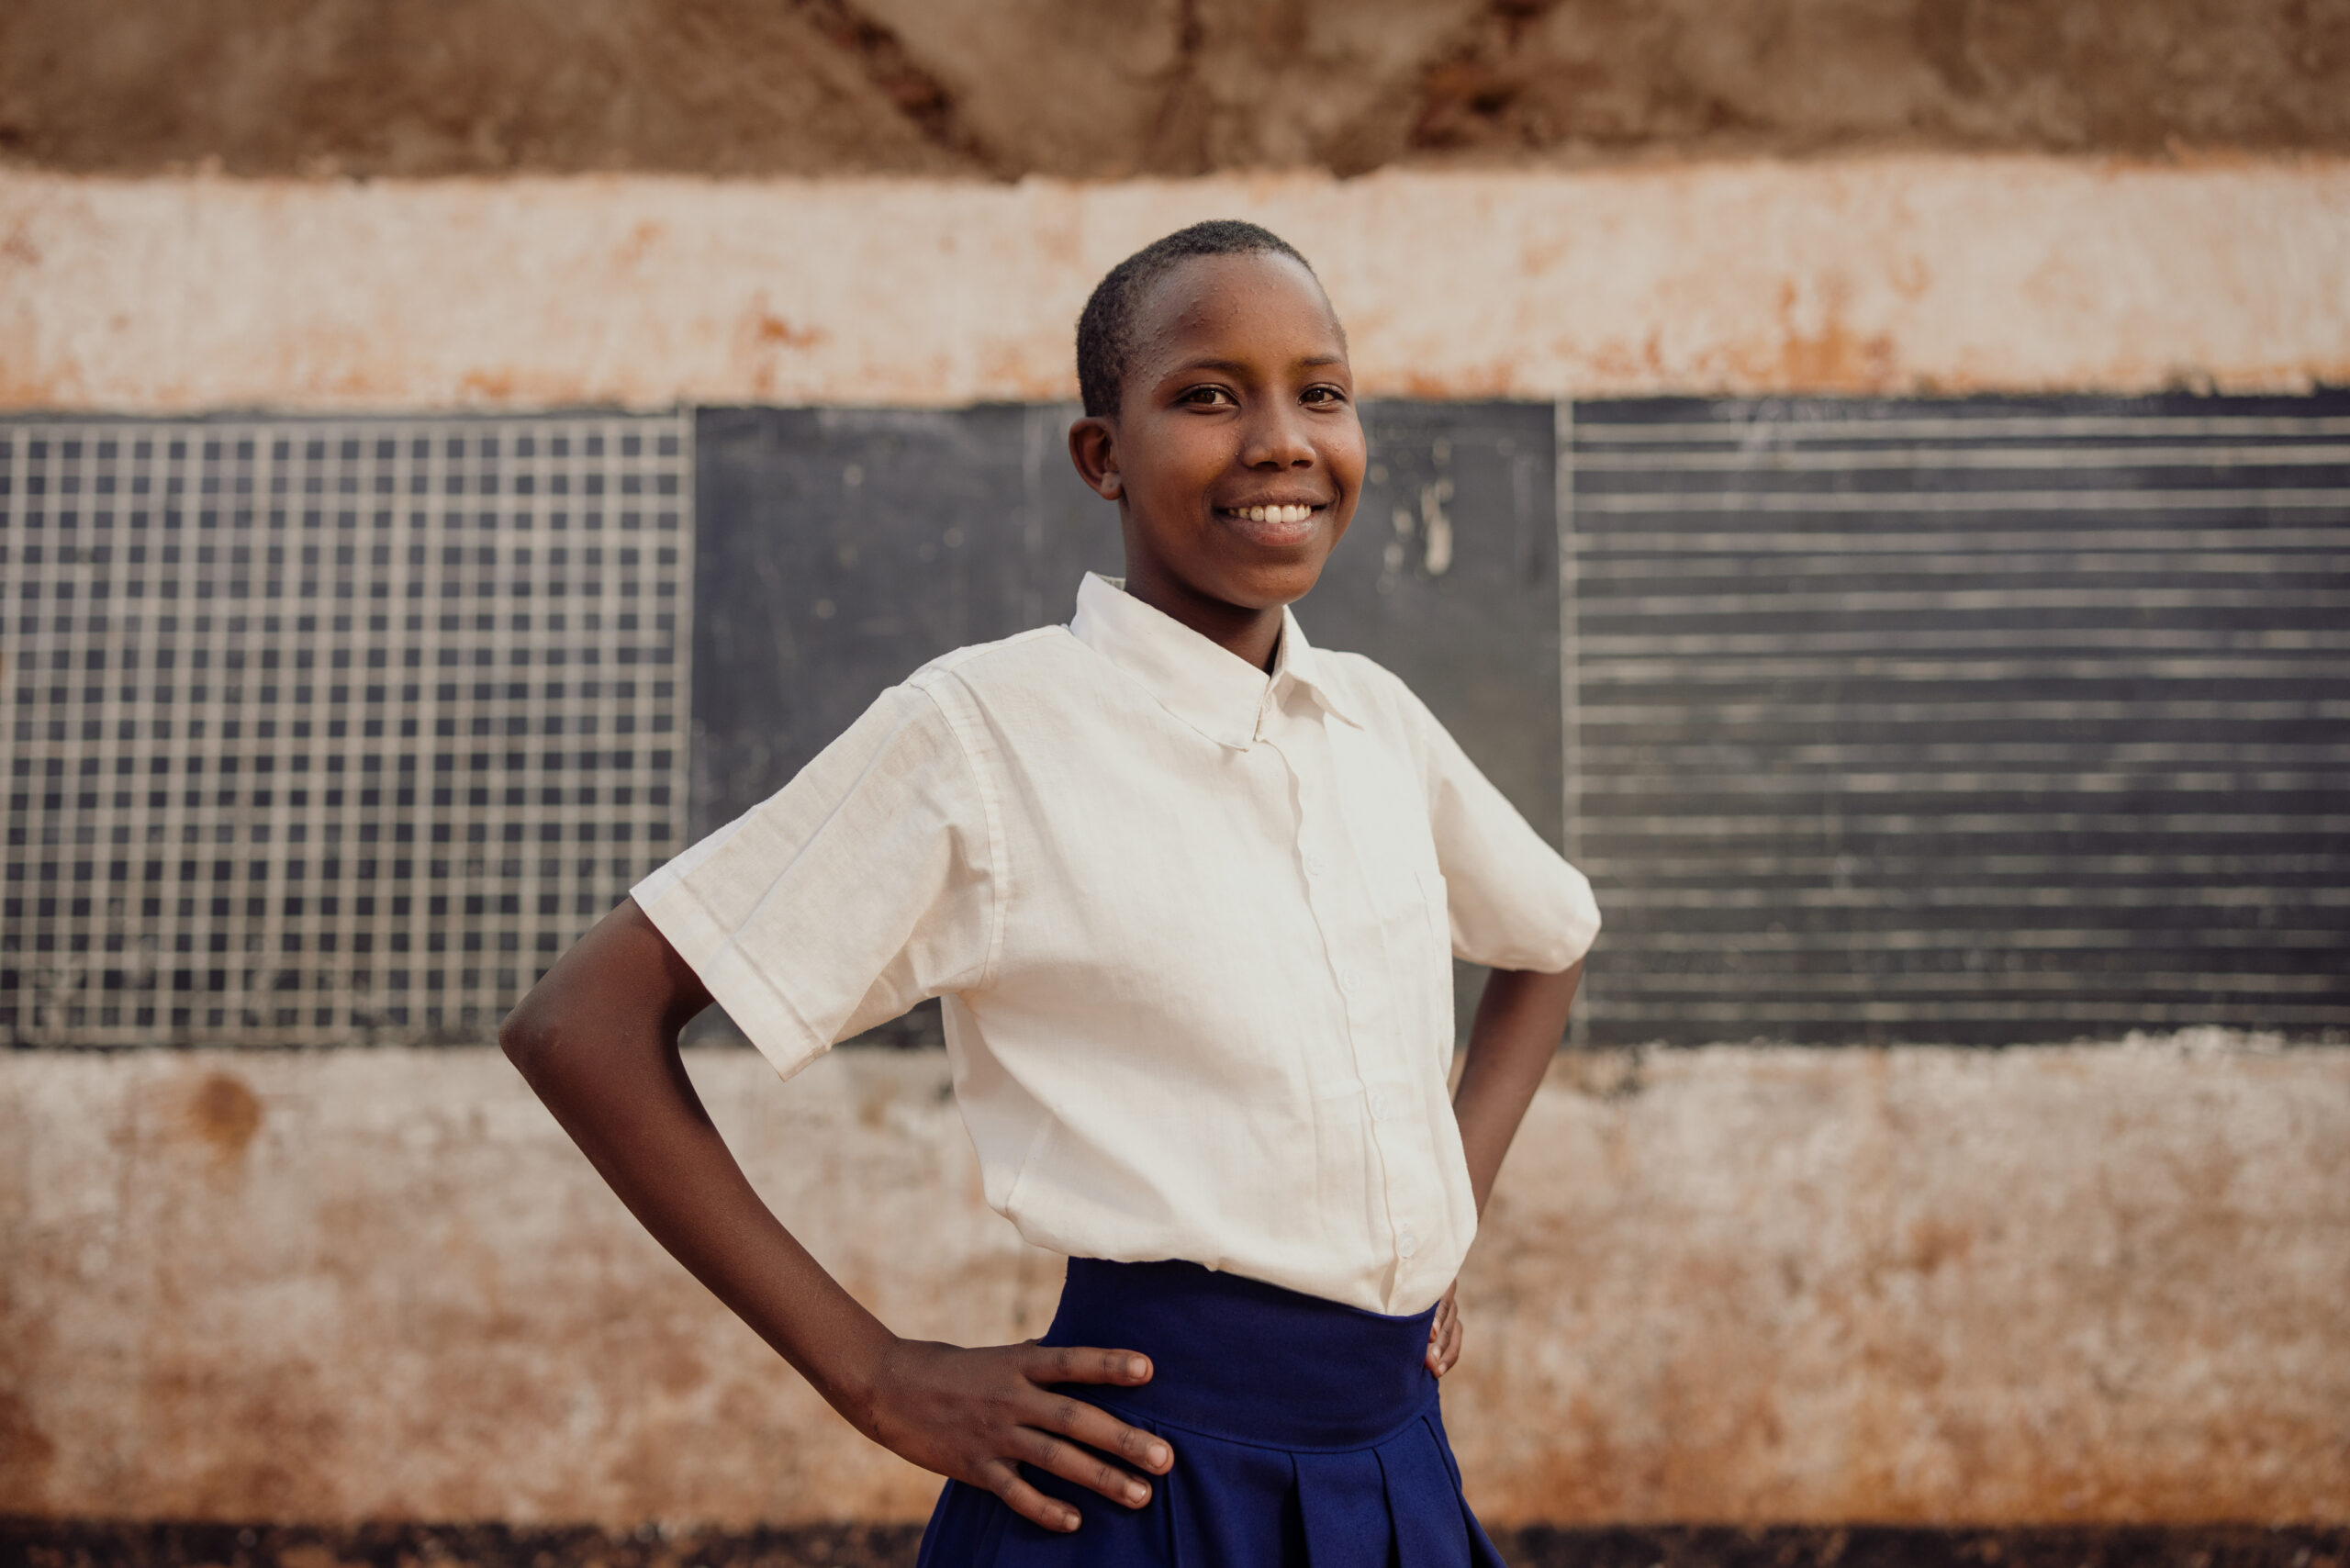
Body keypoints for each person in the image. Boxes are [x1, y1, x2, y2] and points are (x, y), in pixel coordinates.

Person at [501, 219, 1600, 1564]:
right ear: (1104, 454)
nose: (1281, 439)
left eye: (1321, 390)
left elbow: (1550, 943)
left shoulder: (1375, 722)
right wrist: (875, 1374)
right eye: (1206, 394)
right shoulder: (984, 734)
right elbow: (582, 1025)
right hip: (1143, 1481)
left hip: (1394, 1466)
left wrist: (1447, 1206)